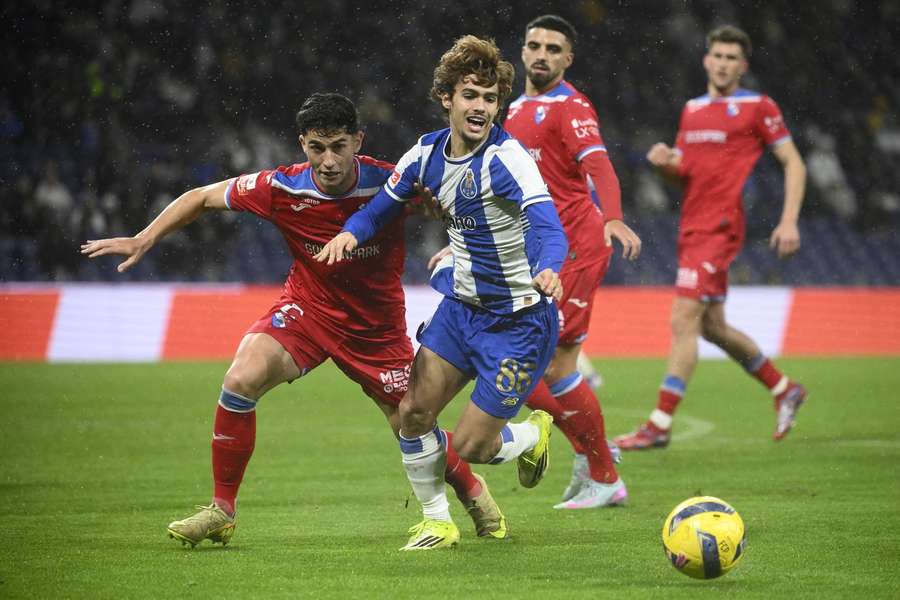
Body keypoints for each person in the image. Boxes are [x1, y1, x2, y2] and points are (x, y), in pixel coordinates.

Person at [80, 93, 507, 547]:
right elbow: (203, 197)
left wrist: (453, 238)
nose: (327, 160)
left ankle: (475, 492)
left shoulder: (391, 183)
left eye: (339, 146)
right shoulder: (281, 188)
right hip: (309, 311)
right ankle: (221, 510)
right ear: (301, 143)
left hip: (374, 330)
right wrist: (144, 238)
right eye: (316, 147)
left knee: (411, 424)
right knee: (241, 378)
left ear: (358, 141)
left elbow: (452, 202)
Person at [315, 35, 567, 551]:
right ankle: (436, 520)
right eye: (471, 95)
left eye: (491, 98)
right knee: (412, 412)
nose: (481, 107)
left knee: (473, 446)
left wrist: (549, 268)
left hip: (519, 321)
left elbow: (549, 229)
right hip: (460, 311)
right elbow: (380, 208)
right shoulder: (425, 155)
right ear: (446, 98)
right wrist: (350, 233)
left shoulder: (507, 160)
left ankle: (529, 436)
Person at [614, 25, 808, 451]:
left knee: (682, 321)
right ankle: (783, 388)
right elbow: (686, 173)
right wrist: (666, 162)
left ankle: (659, 423)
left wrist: (788, 219)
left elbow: (793, 163)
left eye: (731, 58)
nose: (722, 63)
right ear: (706, 60)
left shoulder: (758, 106)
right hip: (693, 224)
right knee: (714, 328)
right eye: (716, 55)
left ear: (743, 65)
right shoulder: (693, 110)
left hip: (719, 227)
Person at [503, 14, 641, 509]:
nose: (541, 54)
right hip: (541, 254)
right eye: (533, 44)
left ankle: (600, 467)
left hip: (578, 248)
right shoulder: (515, 109)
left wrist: (615, 217)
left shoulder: (570, 106)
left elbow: (598, 164)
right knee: (526, 365)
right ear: (521, 50)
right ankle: (595, 458)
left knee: (545, 364)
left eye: (552, 48)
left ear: (567, 59)